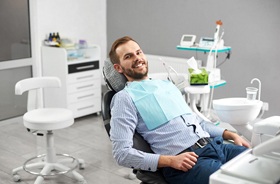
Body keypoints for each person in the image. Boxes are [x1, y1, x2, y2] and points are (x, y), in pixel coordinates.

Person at [108, 36, 250, 184]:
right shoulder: (124, 98)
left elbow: (198, 122)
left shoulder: (167, 85)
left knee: (260, 164)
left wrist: (231, 135)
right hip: (187, 162)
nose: (137, 58)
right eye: (128, 56)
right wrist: (170, 161)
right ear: (118, 67)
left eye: (139, 52)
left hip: (215, 146)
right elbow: (121, 154)